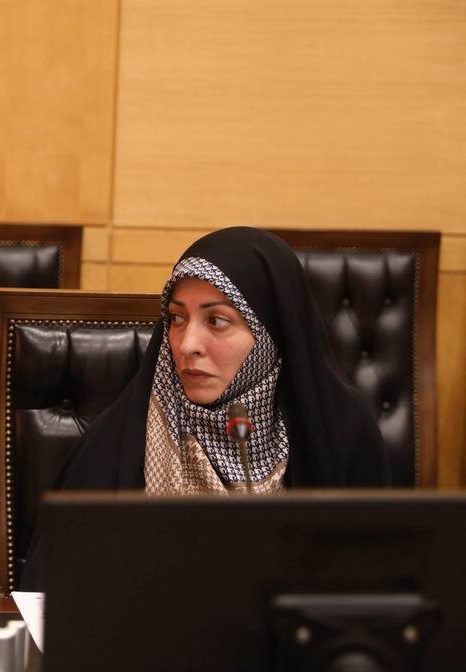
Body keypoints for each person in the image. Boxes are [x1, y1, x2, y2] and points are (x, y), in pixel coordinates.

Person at [20, 227, 390, 587]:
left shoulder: (343, 432)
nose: (187, 345)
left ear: (271, 333)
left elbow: (381, 587)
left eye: (217, 321)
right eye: (177, 319)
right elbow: (52, 595)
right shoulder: (112, 445)